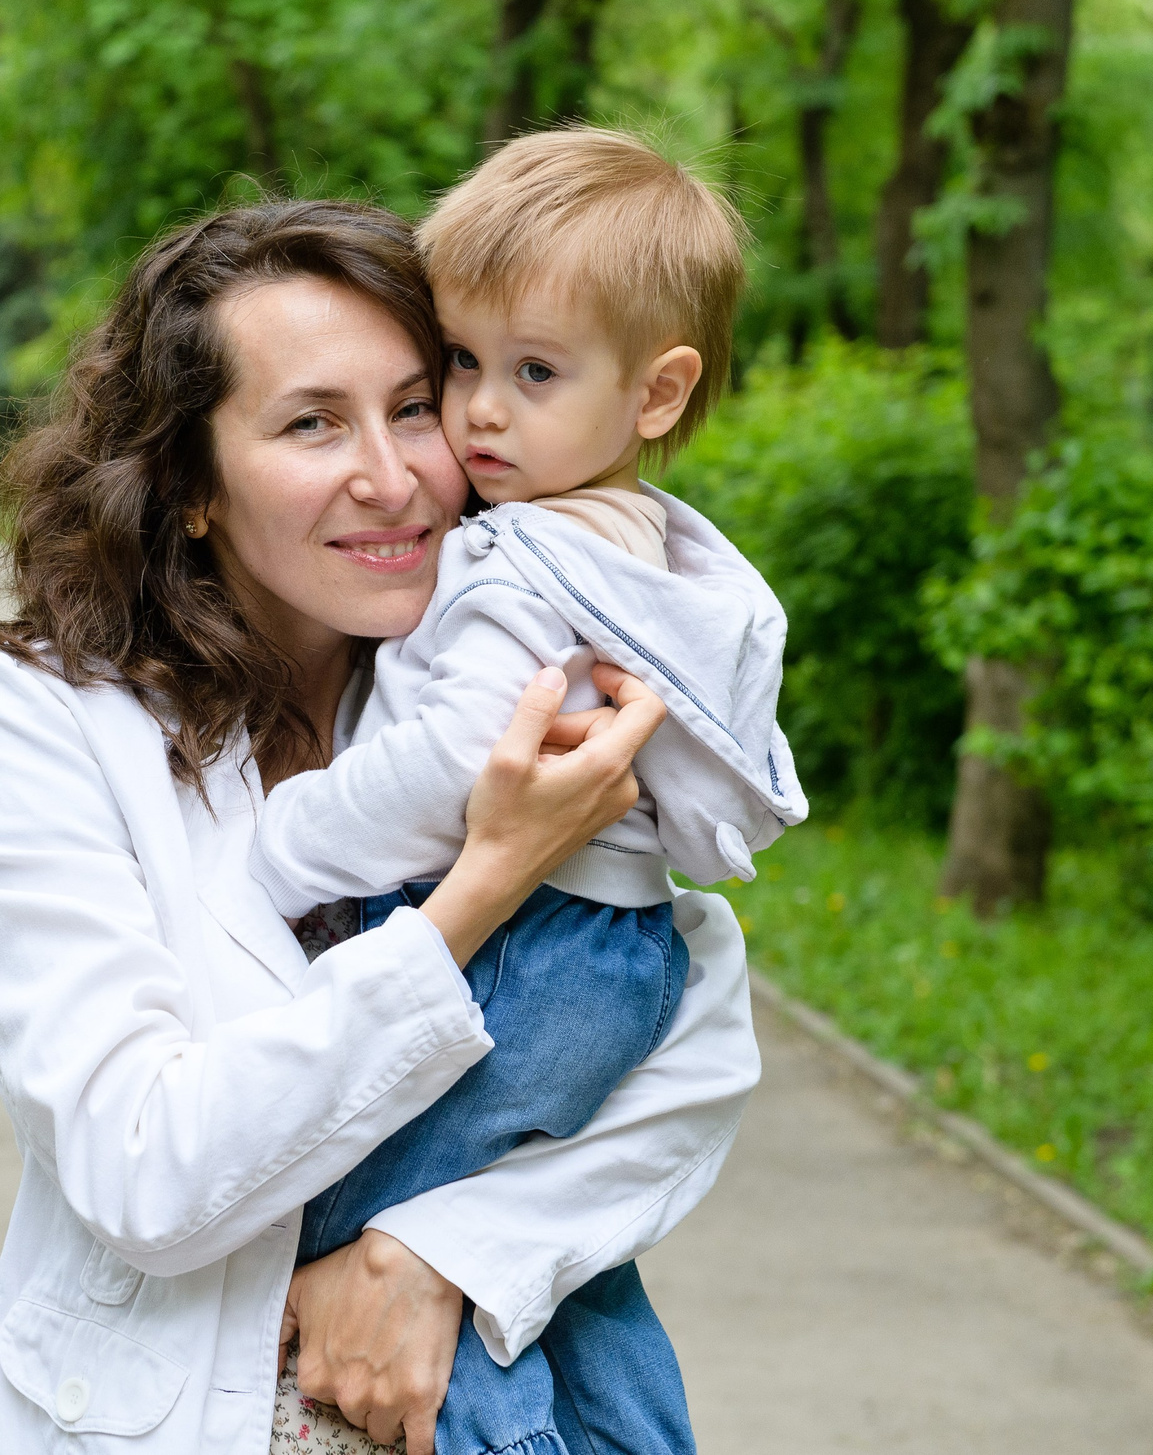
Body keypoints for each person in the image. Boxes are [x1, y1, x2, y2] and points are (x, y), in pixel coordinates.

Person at [0, 200, 761, 1455]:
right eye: (313, 422)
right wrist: (478, 887)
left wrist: (442, 1256)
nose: (394, 474)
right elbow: (142, 1167)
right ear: (193, 484)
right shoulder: (48, 723)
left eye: (416, 404)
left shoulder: (503, 659)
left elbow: (690, 1038)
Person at [243, 130, 804, 1455]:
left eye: (534, 372)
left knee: (374, 1225)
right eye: (464, 365)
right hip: (613, 953)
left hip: (525, 952)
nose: (484, 411)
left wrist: (281, 840)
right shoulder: (653, 552)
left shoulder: (522, 562)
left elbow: (452, 770)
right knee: (568, 1273)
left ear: (659, 392)